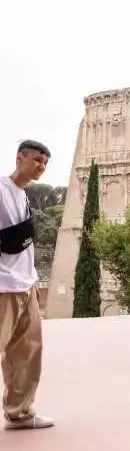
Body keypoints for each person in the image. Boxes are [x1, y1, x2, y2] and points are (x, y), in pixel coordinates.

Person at [0, 140, 55, 430]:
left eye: (45, 163)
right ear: (19, 157)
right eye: (36, 160)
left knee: (27, 352)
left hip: (25, 283)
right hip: (3, 286)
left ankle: (19, 413)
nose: (41, 167)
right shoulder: (1, 189)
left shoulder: (22, 195)